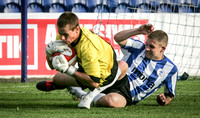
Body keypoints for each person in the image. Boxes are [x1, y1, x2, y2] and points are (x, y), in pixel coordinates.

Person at [63, 23, 178, 108]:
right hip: (117, 77)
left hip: (128, 94)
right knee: (58, 78)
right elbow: (118, 38)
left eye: (151, 47)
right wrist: (138, 30)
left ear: (163, 49)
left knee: (112, 102)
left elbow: (169, 96)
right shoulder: (138, 47)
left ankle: (84, 94)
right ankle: (67, 81)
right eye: (146, 44)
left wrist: (163, 100)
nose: (146, 48)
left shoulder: (171, 69)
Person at [36, 12, 127, 109]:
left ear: (77, 29)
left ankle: (80, 93)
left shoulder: (88, 48)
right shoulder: (64, 37)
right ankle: (57, 85)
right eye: (60, 33)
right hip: (87, 68)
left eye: (65, 35)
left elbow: (94, 83)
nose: (62, 38)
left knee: (105, 98)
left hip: (104, 76)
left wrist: (68, 70)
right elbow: (52, 66)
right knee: (57, 78)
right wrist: (48, 54)